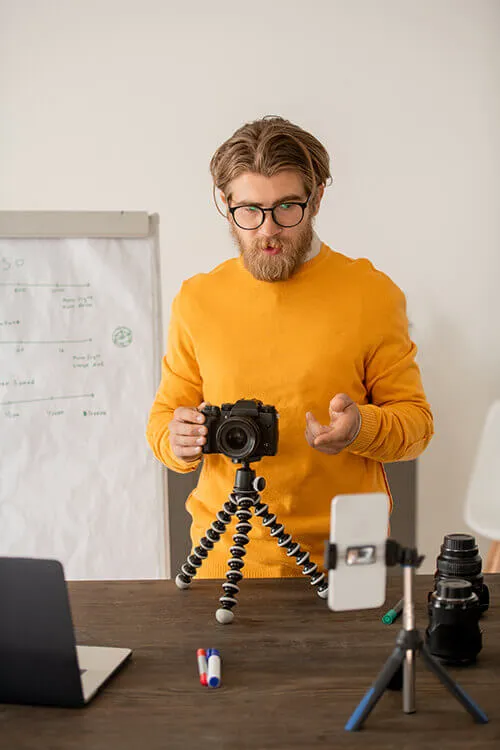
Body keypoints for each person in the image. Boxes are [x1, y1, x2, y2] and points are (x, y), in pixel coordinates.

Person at [146, 116, 434, 578]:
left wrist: (362, 428)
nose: (267, 230)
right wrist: (177, 441)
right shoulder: (197, 300)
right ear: (225, 203)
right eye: (248, 210)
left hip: (348, 559)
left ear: (316, 198)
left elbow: (416, 425)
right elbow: (164, 420)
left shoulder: (373, 294)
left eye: (286, 207)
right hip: (224, 557)